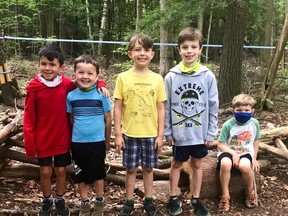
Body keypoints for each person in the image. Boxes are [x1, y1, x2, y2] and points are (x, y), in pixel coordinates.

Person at [24, 44, 108, 216]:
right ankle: (47, 200)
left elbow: (86, 81)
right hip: (43, 138)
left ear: (61, 67)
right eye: (44, 64)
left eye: (52, 64)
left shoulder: (66, 85)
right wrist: (30, 141)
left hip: (63, 137)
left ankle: (60, 200)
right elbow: (29, 116)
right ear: (38, 65)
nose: (48, 68)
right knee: (46, 171)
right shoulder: (34, 88)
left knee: (61, 170)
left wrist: (101, 83)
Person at [165, 27, 218, 216]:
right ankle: (173, 197)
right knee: (177, 164)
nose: (189, 51)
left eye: (193, 46)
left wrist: (211, 131)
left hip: (199, 133)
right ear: (179, 49)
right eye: (185, 47)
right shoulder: (171, 76)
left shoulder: (207, 76)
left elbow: (213, 105)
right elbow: (166, 105)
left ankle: (196, 199)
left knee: (197, 164)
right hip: (180, 134)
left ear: (200, 49)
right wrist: (168, 131)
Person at [113, 33, 166, 216]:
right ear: (130, 54)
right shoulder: (123, 78)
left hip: (151, 133)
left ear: (152, 54)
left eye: (146, 50)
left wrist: (160, 135)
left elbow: (161, 109)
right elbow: (118, 107)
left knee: (149, 168)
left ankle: (148, 201)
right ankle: (128, 202)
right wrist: (118, 134)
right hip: (130, 134)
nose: (142, 53)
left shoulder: (157, 79)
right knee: (130, 169)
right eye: (137, 49)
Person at [66, 55, 112, 216]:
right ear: (74, 74)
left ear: (97, 77)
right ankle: (85, 202)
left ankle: (99, 201)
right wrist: (79, 134)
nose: (85, 77)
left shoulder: (102, 95)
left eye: (90, 73)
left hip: (97, 142)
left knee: (98, 173)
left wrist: (107, 141)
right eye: (81, 72)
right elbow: (71, 118)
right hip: (78, 143)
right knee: (81, 173)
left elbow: (108, 118)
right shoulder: (71, 96)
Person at [217, 93, 260, 212]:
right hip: (229, 150)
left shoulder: (254, 123)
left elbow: (256, 140)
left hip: (246, 152)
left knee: (245, 166)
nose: (243, 112)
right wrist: (233, 154)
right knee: (225, 164)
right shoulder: (228, 125)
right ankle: (225, 196)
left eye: (246, 110)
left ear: (252, 111)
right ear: (233, 110)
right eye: (239, 110)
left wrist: (254, 157)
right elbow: (220, 144)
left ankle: (250, 192)